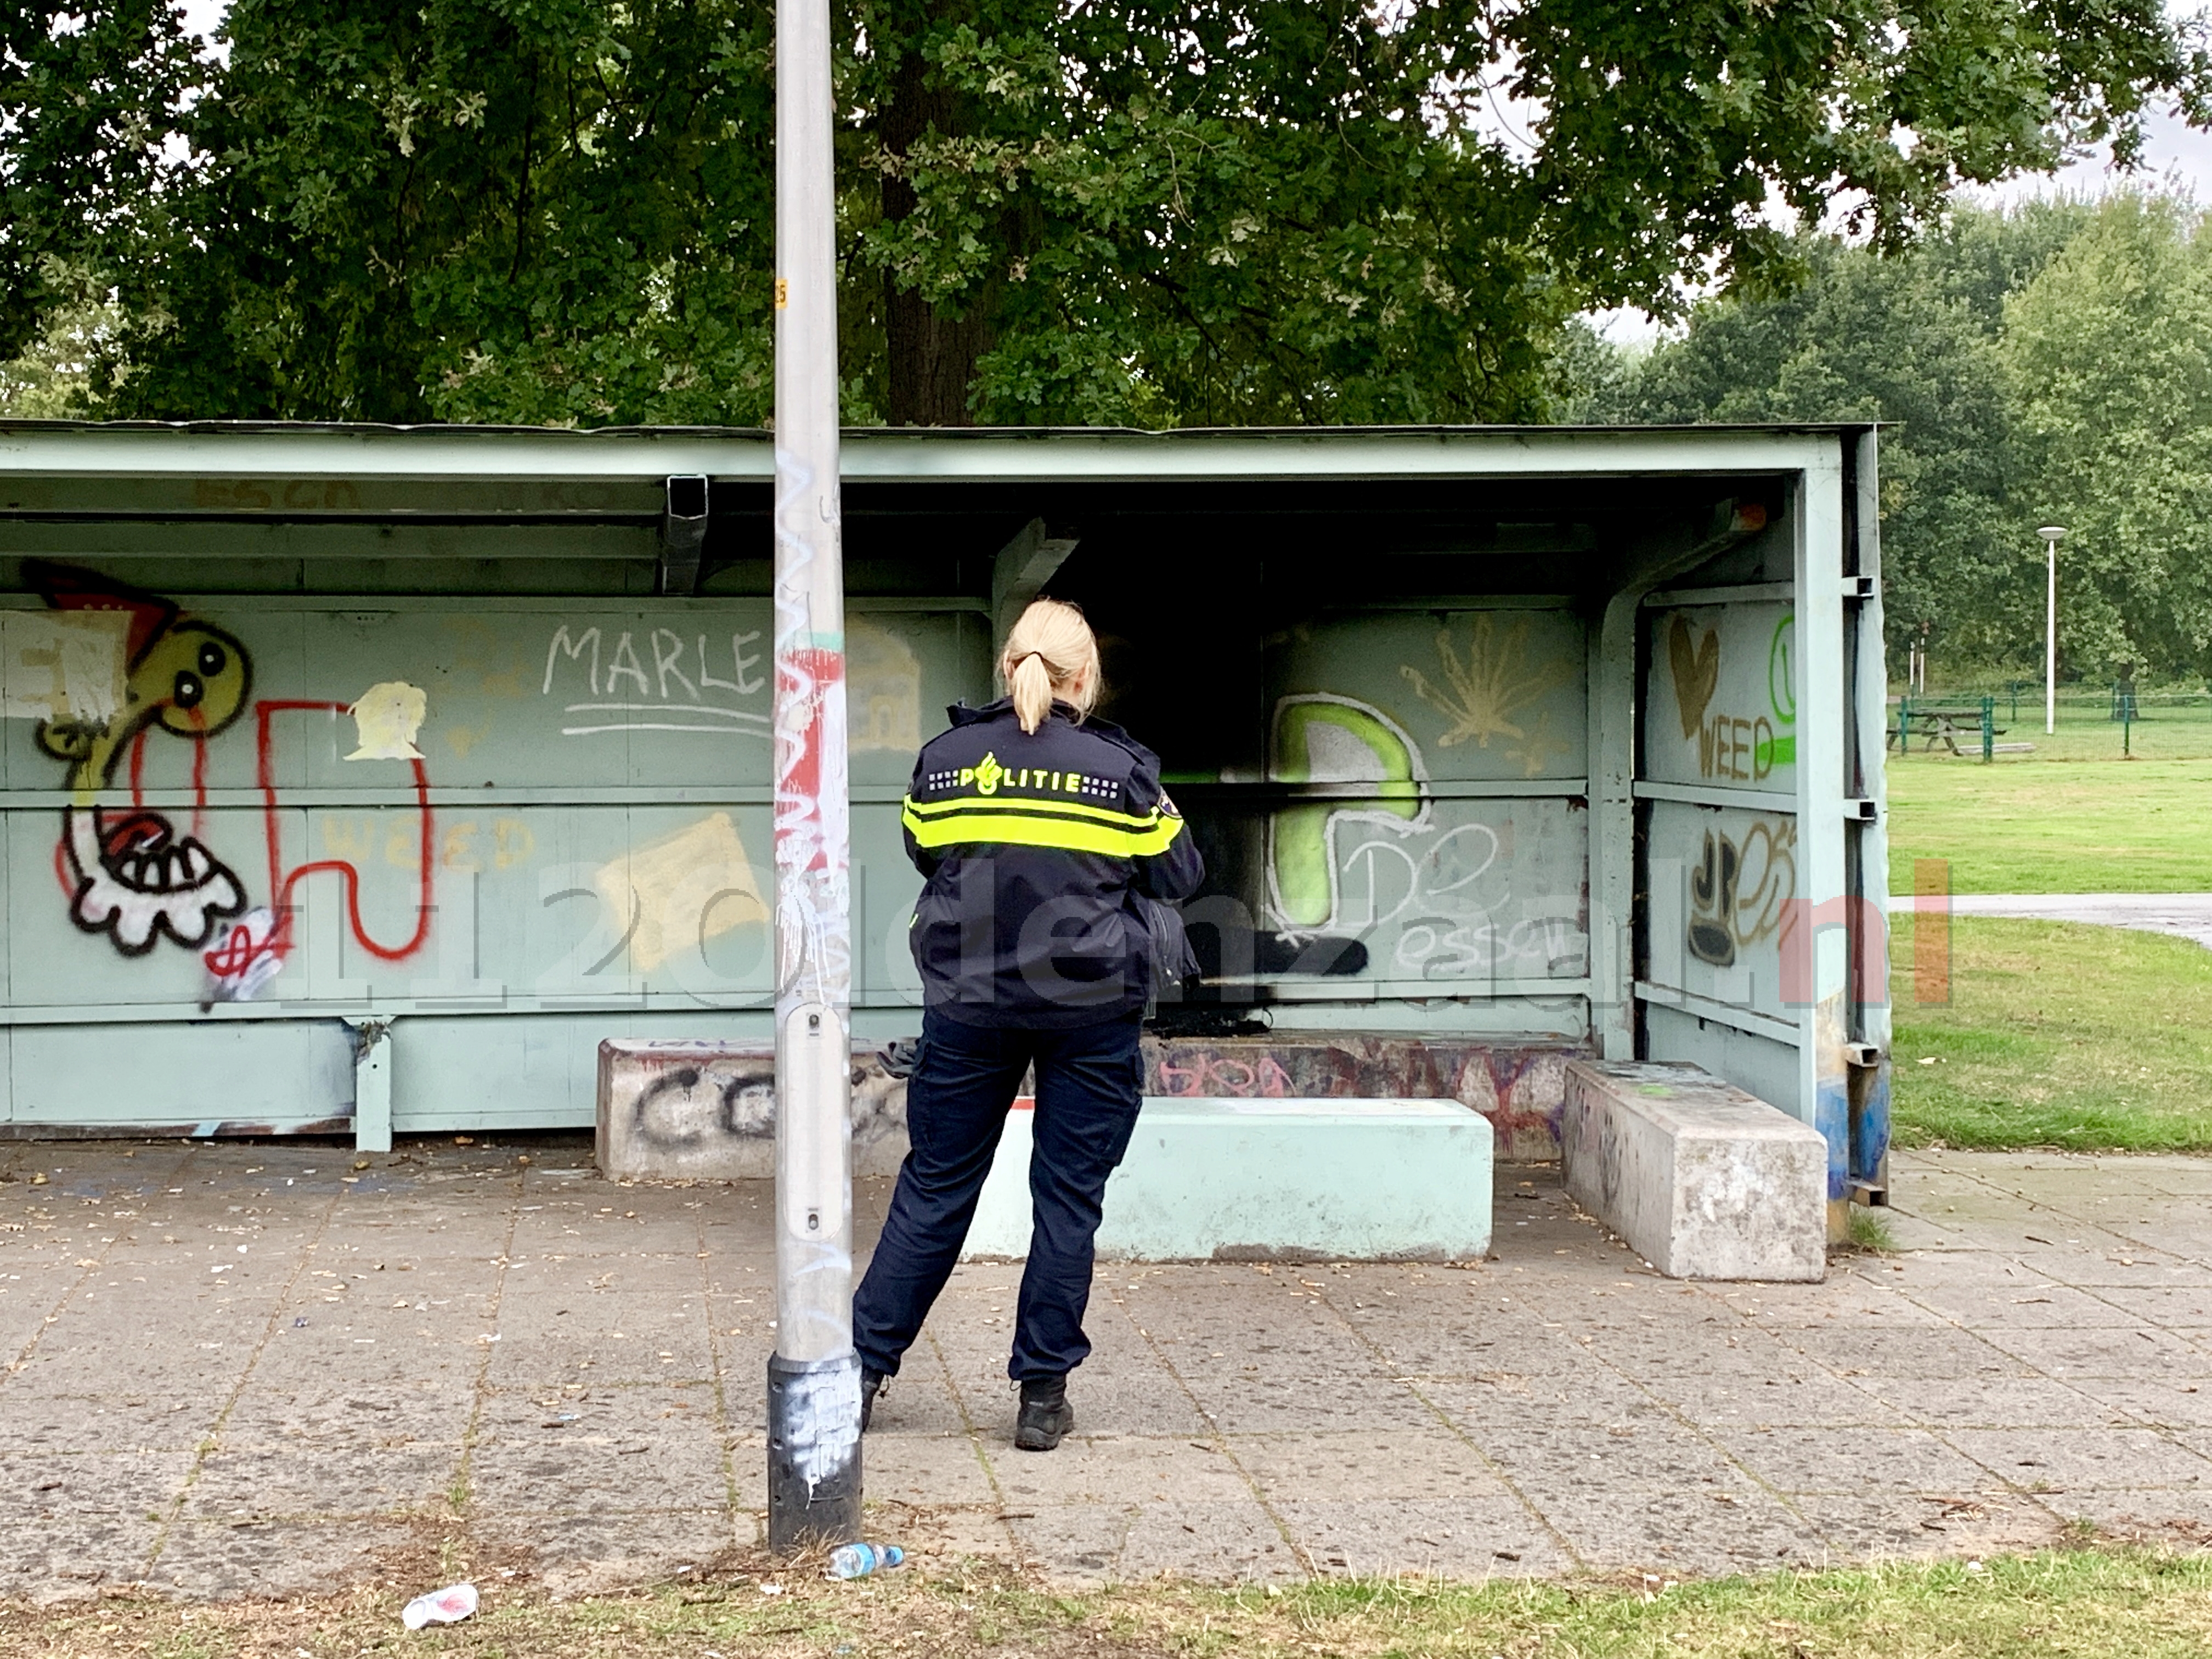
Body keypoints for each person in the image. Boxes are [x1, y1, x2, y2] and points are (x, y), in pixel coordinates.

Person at [852, 597, 1204, 1451]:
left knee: (935, 1190)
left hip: (969, 1010)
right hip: (1092, 1015)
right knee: (1067, 1203)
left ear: (1009, 667)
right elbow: (1182, 874)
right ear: (1084, 677)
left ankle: (858, 1375)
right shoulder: (1118, 773)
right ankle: (1042, 1399)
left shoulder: (944, 762)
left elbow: (925, 854)